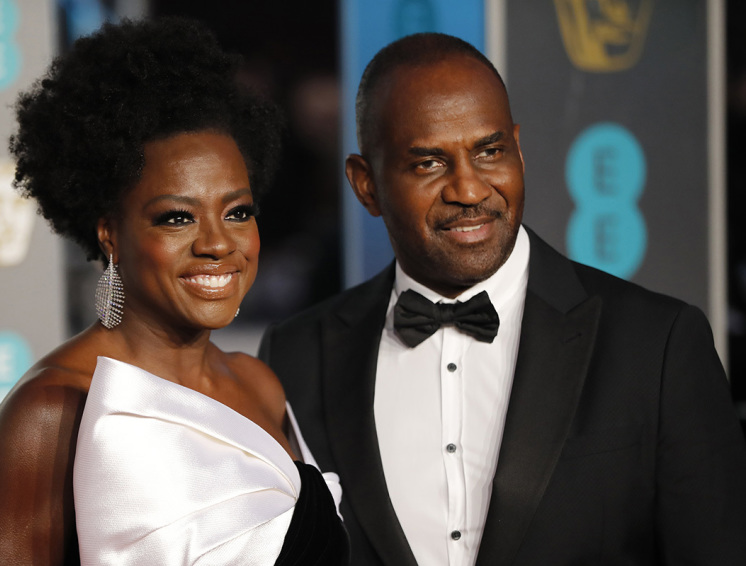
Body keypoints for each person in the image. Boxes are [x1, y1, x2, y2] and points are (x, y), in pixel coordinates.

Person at [259, 32, 746, 565]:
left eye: (489, 152)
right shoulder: (297, 357)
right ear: (366, 185)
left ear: (518, 148)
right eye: (428, 163)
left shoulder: (658, 345)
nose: (469, 189)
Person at [0, 18, 348, 565]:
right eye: (176, 218)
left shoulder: (260, 384)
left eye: (238, 212)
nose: (218, 243)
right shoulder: (54, 410)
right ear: (110, 233)